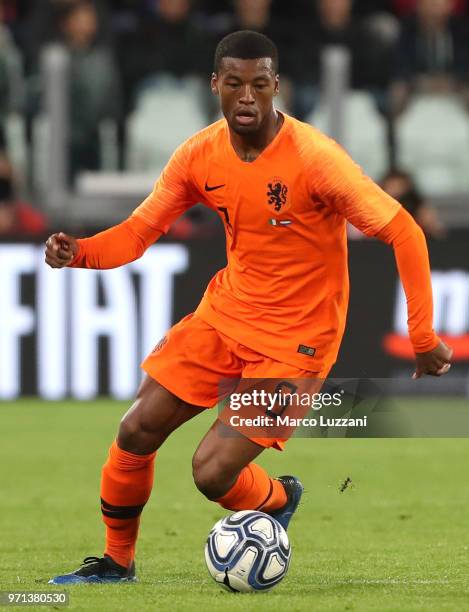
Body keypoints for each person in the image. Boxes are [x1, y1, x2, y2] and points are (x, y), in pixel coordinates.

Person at [45, 30, 452, 584]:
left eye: (259, 85)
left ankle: (279, 495)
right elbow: (140, 232)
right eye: (234, 83)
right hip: (226, 317)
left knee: (211, 474)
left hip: (295, 344)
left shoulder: (315, 160)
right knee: (136, 430)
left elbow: (404, 230)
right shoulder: (199, 154)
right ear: (215, 84)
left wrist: (423, 336)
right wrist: (81, 253)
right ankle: (117, 564)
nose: (246, 97)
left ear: (276, 87)